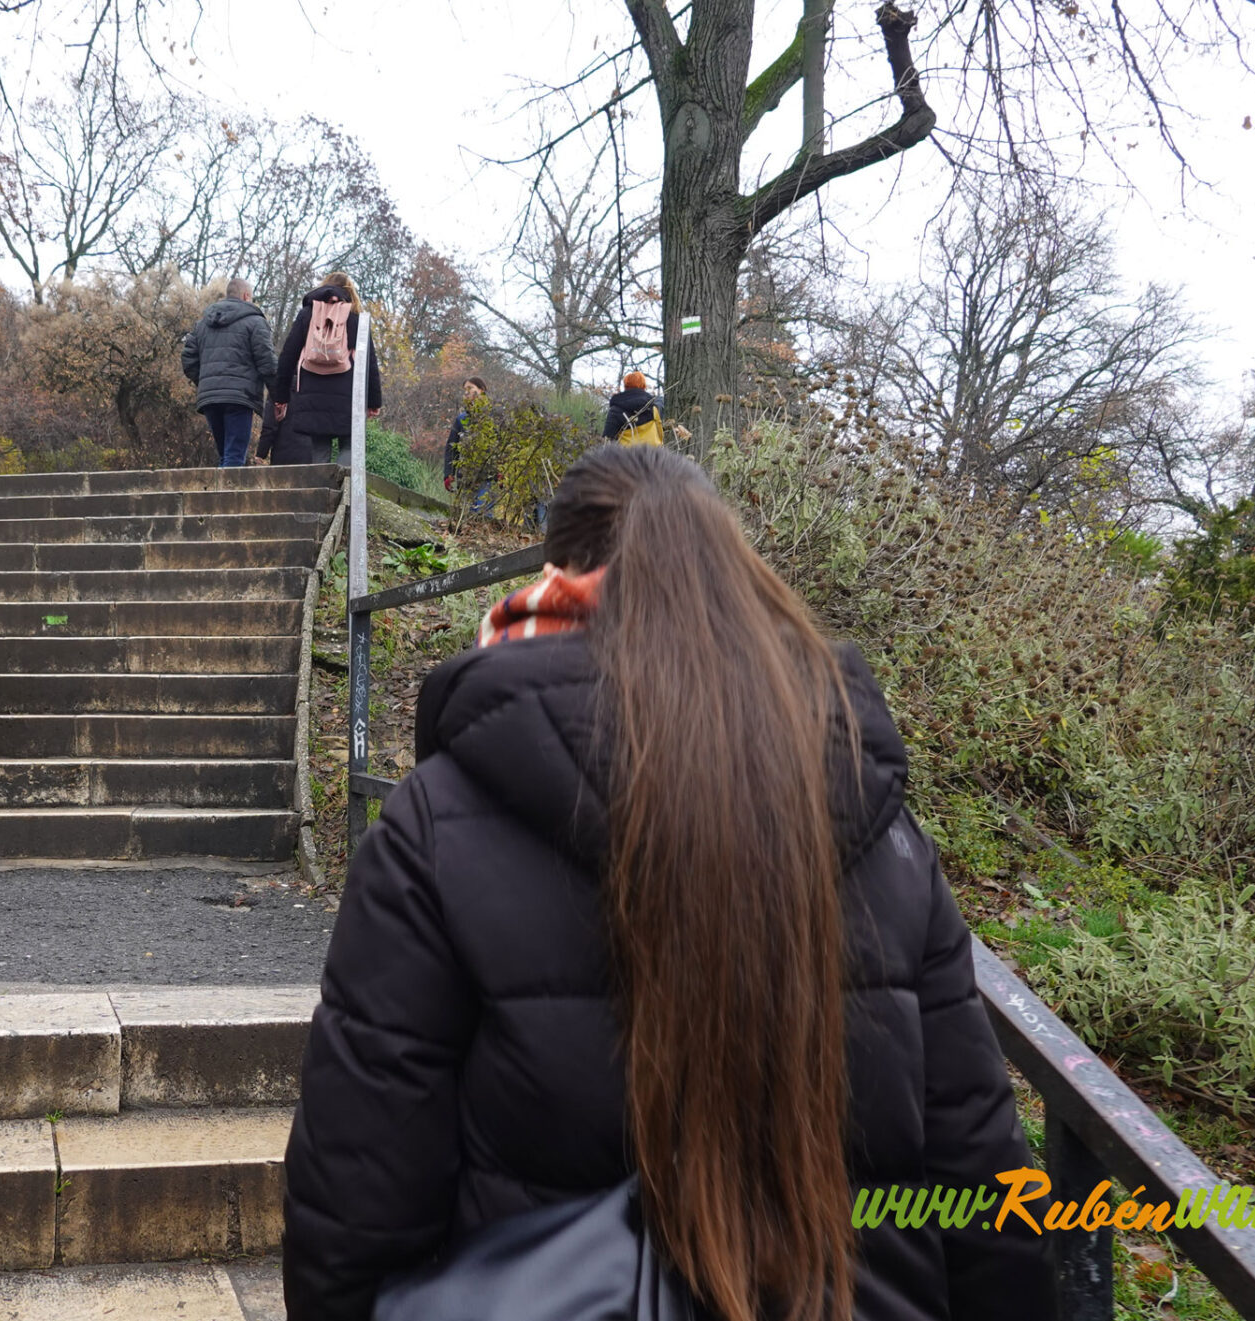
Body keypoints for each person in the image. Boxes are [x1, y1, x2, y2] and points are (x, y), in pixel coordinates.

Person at [282, 444, 1052, 1321]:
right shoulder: (884, 831)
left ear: (555, 579)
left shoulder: (434, 826)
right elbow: (984, 1181)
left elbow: (357, 1198)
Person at [270, 271, 383, 466]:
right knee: (348, 445)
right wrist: (374, 401)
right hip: (348, 394)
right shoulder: (355, 319)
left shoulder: (307, 315)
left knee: (320, 446)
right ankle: (344, 483)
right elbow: (369, 363)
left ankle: (321, 484)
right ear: (349, 292)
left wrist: (281, 397)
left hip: (314, 395)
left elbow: (287, 356)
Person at [181, 276, 275, 467]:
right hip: (240, 396)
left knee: (225, 455)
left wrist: (206, 381)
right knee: (234, 457)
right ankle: (229, 488)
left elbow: (188, 359)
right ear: (246, 296)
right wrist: (278, 395)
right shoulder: (255, 322)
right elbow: (267, 362)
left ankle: (220, 486)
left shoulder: (202, 324)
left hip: (210, 397)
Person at [440, 376, 488, 490]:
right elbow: (452, 448)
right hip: (466, 478)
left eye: (470, 388)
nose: (467, 392)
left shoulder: (494, 415)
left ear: (481, 390)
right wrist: (449, 473)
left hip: (488, 478)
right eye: (465, 390)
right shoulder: (461, 419)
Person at [602, 369, 662, 442]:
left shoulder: (615, 410)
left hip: (626, 449)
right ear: (643, 386)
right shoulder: (653, 407)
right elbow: (660, 431)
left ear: (625, 386)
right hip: (653, 448)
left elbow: (608, 438)